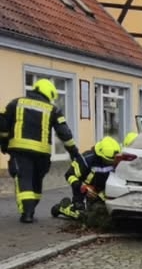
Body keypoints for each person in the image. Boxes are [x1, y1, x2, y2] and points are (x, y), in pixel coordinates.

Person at [0, 78, 83, 223]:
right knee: (36, 180)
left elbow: (3, 125)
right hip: (42, 154)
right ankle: (30, 210)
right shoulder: (53, 109)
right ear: (49, 93)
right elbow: (65, 133)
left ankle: (27, 213)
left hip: (20, 150)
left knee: (24, 178)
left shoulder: (16, 103)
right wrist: (73, 152)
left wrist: (4, 143)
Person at [53, 135, 121, 220]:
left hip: (103, 193)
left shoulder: (116, 160)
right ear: (100, 154)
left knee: (104, 214)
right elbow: (69, 175)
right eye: (108, 160)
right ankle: (63, 208)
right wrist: (83, 188)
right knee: (82, 215)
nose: (111, 163)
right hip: (83, 191)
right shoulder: (86, 159)